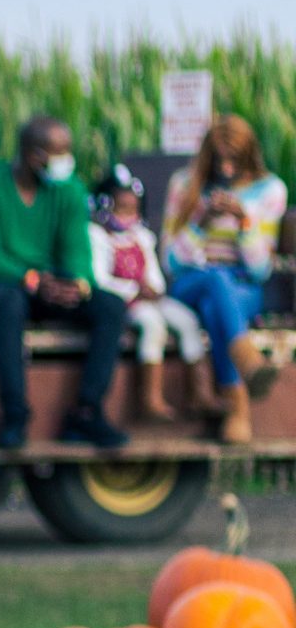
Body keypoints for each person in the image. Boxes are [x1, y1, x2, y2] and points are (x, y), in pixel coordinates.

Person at [0, 115, 129, 451]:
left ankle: (87, 411)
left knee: (111, 307)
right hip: (12, 283)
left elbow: (77, 249)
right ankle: (14, 414)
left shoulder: (71, 190)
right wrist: (30, 279)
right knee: (6, 304)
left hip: (53, 285)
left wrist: (77, 285)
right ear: (34, 156)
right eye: (60, 153)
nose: (66, 160)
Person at [163, 114, 286, 445]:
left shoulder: (270, 190)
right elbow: (170, 261)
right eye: (219, 161)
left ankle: (236, 405)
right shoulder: (184, 184)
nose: (227, 170)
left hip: (243, 284)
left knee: (216, 302)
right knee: (214, 281)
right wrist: (201, 222)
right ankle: (244, 367)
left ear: (249, 157)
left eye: (235, 161)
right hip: (190, 280)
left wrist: (244, 223)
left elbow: (261, 270)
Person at [89, 167, 204, 421]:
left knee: (186, 321)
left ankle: (198, 393)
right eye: (121, 208)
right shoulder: (97, 237)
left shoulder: (142, 237)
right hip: (126, 303)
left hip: (150, 298)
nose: (127, 215)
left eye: (132, 209)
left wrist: (153, 288)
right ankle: (150, 398)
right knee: (153, 326)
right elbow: (99, 279)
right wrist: (132, 289)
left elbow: (154, 276)